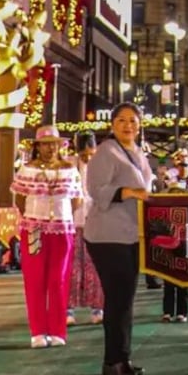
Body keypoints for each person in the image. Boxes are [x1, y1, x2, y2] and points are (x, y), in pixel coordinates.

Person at [85, 103, 154, 375]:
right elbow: (95, 189)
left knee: (125, 299)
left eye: (133, 121)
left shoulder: (137, 152)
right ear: (112, 124)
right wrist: (128, 191)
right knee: (118, 300)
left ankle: (120, 358)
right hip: (107, 235)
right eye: (122, 120)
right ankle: (115, 360)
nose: (128, 125)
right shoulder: (106, 151)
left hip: (130, 233)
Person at [12, 125, 84, 348]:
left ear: (61, 145)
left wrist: (61, 217)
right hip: (34, 229)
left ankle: (57, 330)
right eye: (45, 144)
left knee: (58, 279)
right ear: (37, 146)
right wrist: (34, 218)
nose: (50, 148)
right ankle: (38, 331)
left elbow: (77, 200)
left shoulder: (70, 170)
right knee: (35, 279)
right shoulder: (27, 170)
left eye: (54, 143)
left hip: (62, 231)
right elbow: (20, 199)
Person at [67, 133, 104, 326]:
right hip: (71, 224)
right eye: (84, 154)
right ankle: (67, 310)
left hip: (96, 224)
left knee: (96, 267)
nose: (87, 158)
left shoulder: (103, 167)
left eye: (91, 153)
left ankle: (98, 308)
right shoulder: (68, 165)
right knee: (71, 268)